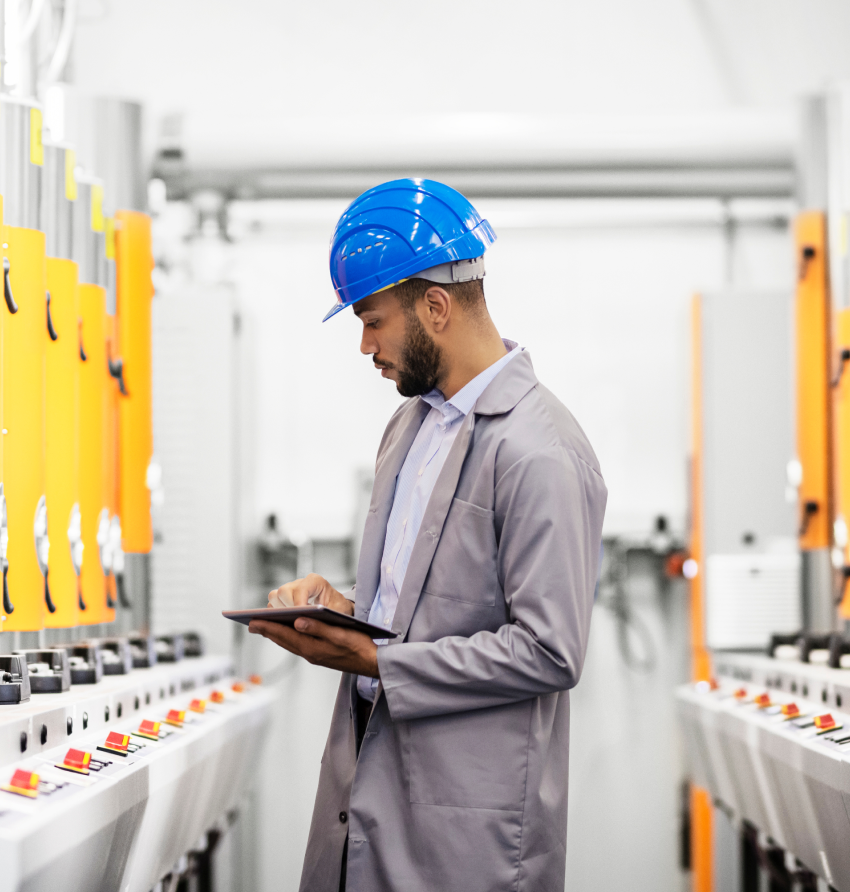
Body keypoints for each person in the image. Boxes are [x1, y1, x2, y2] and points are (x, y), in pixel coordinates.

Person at [248, 178, 607, 892]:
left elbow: (550, 651)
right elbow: (419, 608)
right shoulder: (410, 429)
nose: (363, 344)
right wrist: (341, 609)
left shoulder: (540, 450)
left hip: (466, 841)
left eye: (372, 319)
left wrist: (381, 663)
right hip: (370, 809)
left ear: (435, 307)